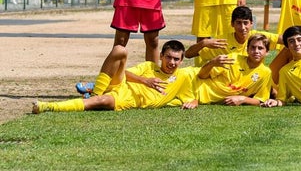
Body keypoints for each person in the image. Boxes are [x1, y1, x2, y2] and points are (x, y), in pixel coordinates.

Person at [35, 40, 198, 113]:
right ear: (161, 56)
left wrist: (194, 103)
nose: (172, 62)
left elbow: (192, 98)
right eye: (168, 57)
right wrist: (145, 80)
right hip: (121, 84)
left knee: (100, 102)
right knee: (120, 49)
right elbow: (126, 72)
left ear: (182, 61)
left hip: (128, 100)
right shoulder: (150, 66)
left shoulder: (182, 77)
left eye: (176, 59)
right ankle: (96, 91)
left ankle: (48, 106)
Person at [195, 34, 274, 106]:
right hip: (197, 89)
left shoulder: (266, 72)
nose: (256, 51)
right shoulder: (233, 58)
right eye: (253, 47)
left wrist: (243, 99)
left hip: (203, 99)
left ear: (266, 52)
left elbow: (261, 99)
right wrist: (212, 63)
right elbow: (202, 75)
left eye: (260, 48)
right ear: (247, 50)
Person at [184, 6, 280, 62]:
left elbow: (285, 39)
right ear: (232, 24)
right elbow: (188, 54)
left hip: (253, 80)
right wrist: (203, 43)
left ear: (251, 23)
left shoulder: (259, 37)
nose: (242, 28)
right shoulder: (222, 42)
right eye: (238, 23)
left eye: (245, 23)